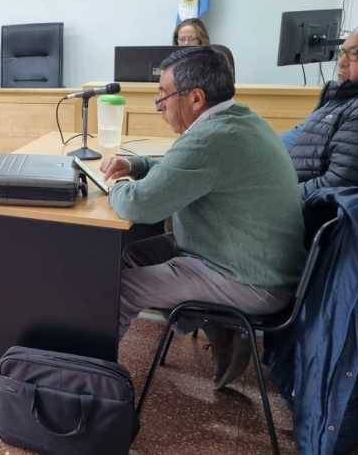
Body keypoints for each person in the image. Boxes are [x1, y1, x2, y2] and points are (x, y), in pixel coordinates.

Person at [100, 46, 305, 389]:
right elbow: (184, 169)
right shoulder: (239, 120)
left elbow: (138, 206)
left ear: (195, 98)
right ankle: (219, 327)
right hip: (247, 261)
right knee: (132, 254)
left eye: (163, 95)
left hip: (249, 281)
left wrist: (116, 185)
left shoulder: (212, 139)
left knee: (116, 290)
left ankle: (90, 383)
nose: (159, 105)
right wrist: (137, 165)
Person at [287, 21, 358, 198]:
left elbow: (339, 183)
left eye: (354, 53)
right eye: (342, 52)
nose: (341, 62)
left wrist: (276, 197)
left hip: (297, 204)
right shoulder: (347, 95)